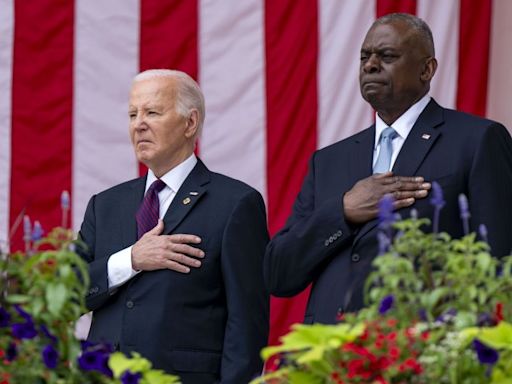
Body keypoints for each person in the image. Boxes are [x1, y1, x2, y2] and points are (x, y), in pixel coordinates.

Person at [264, 13, 512, 325]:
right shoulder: (329, 160)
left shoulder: (476, 140)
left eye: (387, 56)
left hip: (422, 352)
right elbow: (278, 274)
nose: (370, 65)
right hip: (329, 357)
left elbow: (500, 263)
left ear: (427, 69)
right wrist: (343, 211)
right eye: (365, 57)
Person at [78, 69, 269, 383]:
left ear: (190, 123)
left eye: (152, 112)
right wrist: (131, 259)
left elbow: (247, 324)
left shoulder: (235, 203)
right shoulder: (105, 205)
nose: (139, 124)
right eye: (132, 114)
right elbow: (70, 294)